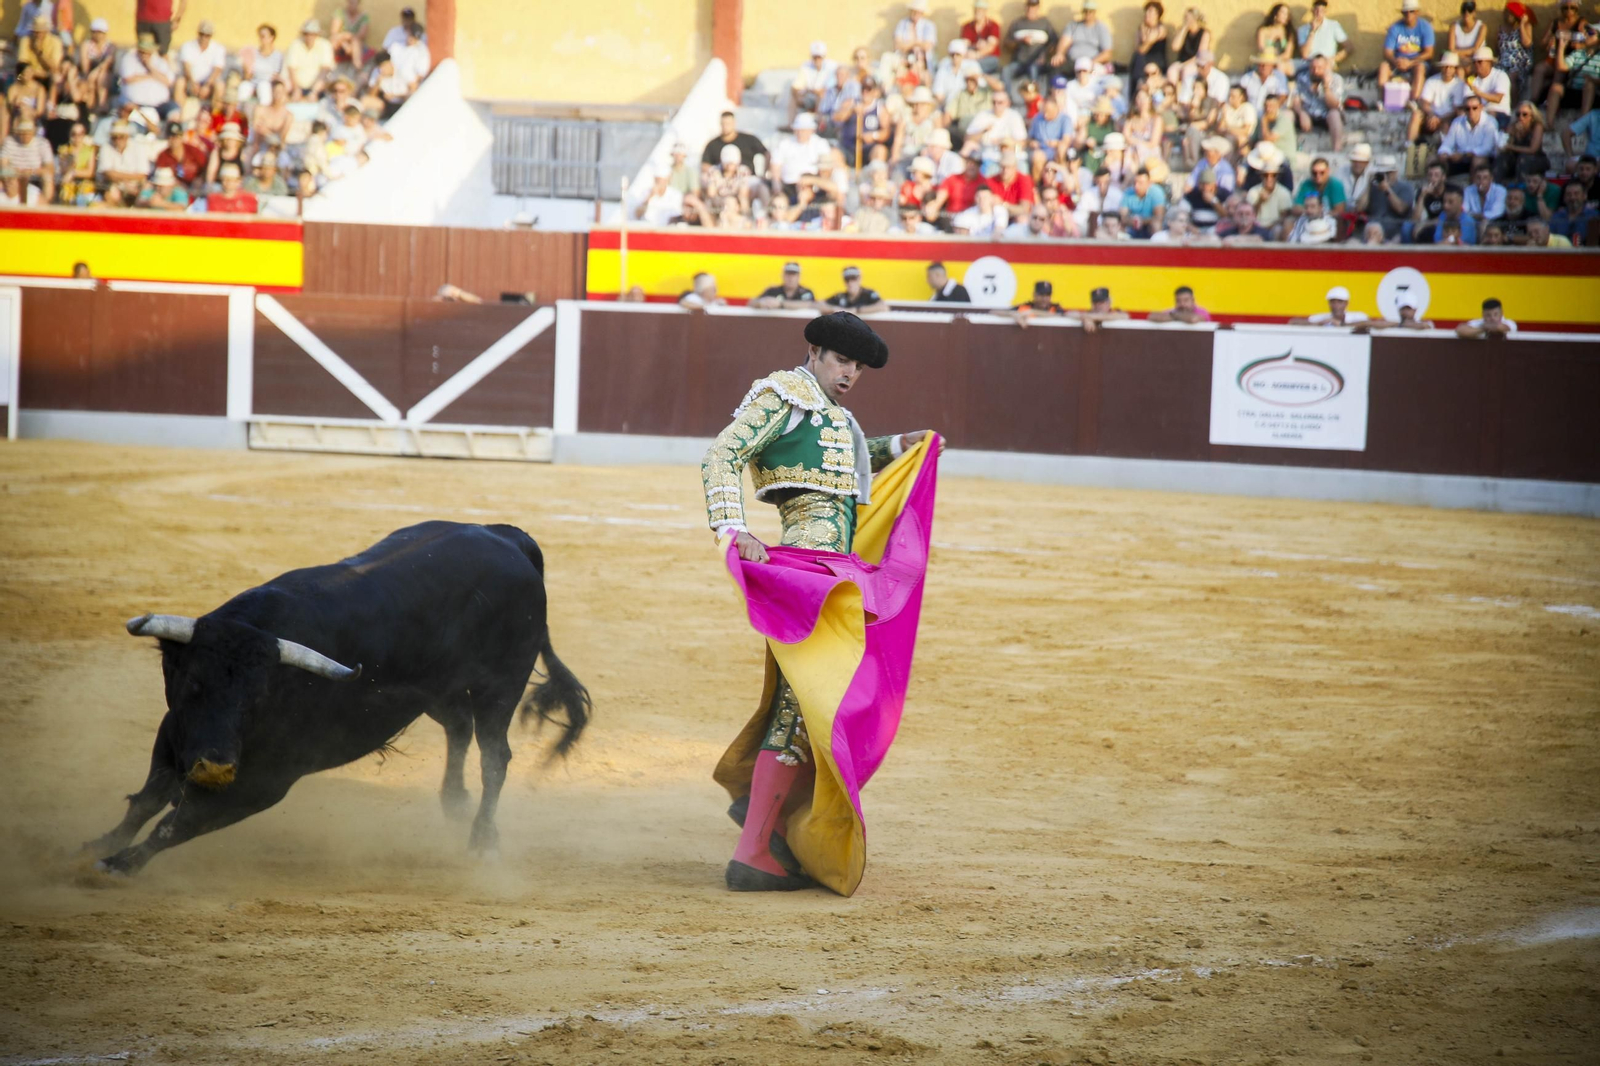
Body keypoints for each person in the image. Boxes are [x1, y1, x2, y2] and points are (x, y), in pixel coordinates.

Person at [701, 312, 939, 896]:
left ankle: (766, 826)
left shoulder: (836, 417)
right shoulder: (783, 394)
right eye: (842, 362)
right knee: (806, 706)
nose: (850, 374)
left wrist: (896, 447)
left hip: (835, 575)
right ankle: (755, 849)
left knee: (814, 706)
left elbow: (840, 473)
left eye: (858, 367)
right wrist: (733, 528)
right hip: (806, 576)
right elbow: (720, 456)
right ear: (814, 352)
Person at [1379, 0, 1436, 100]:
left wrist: (1410, 62)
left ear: (1417, 12)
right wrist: (1396, 61)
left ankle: (1414, 100)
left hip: (1416, 62)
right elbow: (1387, 52)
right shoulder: (1395, 27)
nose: (1408, 14)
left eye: (1411, 11)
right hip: (1398, 61)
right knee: (1384, 67)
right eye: (1405, 12)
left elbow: (1429, 53)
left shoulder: (1426, 27)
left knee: (1420, 68)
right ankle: (1383, 101)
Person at [1411, 51, 1466, 146]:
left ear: (1455, 69)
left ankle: (1443, 149)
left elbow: (1456, 109)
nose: (1447, 69)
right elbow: (1424, 102)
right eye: (1445, 66)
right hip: (1431, 116)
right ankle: (1410, 146)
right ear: (1441, 67)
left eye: (1451, 67)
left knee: (1447, 125)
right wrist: (1432, 115)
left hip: (1447, 118)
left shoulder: (1459, 84)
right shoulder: (1432, 81)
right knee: (1416, 115)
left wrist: (1439, 119)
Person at [1293, 53, 1345, 152]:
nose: (1315, 71)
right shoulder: (1302, 78)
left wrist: (1326, 87)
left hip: (1325, 116)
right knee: (1288, 114)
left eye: (1319, 68)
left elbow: (1335, 105)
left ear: (1326, 68)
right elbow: (1295, 100)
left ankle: (1337, 150)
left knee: (1334, 114)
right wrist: (1301, 113)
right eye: (1312, 68)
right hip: (1307, 115)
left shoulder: (1336, 80)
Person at [1004, 0, 1058, 94]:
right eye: (1028, 6)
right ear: (1025, 7)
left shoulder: (1045, 23)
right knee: (1006, 70)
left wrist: (1044, 54)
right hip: (1019, 63)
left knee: (1033, 69)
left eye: (1033, 7)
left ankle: (1036, 99)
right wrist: (1020, 41)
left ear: (1037, 8)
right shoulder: (1017, 23)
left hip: (1037, 63)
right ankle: (1007, 97)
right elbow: (1006, 43)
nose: (1030, 9)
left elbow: (1055, 42)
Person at [1438, 94, 1499, 176]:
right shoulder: (1457, 122)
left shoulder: (1490, 122)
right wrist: (1445, 153)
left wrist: (1464, 154)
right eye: (1467, 108)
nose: (1471, 111)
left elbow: (1486, 149)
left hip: (1484, 160)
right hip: (1461, 160)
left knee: (1477, 160)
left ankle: (1474, 187)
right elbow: (1447, 144)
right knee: (1437, 158)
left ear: (1481, 107)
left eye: (1474, 108)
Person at [1051, 0, 1114, 76]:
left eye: (1090, 11)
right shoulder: (1073, 25)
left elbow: (1107, 53)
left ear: (1094, 12)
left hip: (1092, 62)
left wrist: (1090, 63)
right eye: (1085, 11)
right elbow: (1064, 41)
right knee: (1055, 67)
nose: (1088, 13)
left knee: (1094, 73)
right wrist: (1059, 53)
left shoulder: (1101, 28)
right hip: (1073, 61)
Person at [1359, 155, 1415, 240]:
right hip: (1372, 230)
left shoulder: (1405, 187)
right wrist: (1369, 185)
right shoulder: (1373, 187)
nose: (1385, 176)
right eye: (1382, 173)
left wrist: (1387, 190)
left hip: (1394, 232)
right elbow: (1359, 208)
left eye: (1387, 173)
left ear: (1395, 172)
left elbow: (1401, 209)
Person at [118, 32, 174, 114]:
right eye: (142, 51)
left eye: (147, 52)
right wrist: (151, 76)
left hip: (160, 105)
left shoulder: (160, 61)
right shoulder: (129, 59)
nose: (145, 54)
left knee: (174, 109)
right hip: (135, 104)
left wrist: (149, 66)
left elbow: (168, 81)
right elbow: (128, 78)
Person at [2, 118, 54, 203]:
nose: (25, 135)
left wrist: (32, 171)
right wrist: (14, 172)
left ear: (33, 132)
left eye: (28, 132)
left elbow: (50, 168)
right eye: (22, 132)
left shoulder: (43, 143)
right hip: (13, 176)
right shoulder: (9, 142)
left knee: (48, 177)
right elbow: (3, 164)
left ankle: (45, 204)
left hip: (35, 177)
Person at [175, 19, 225, 104]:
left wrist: (207, 85)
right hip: (190, 80)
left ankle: (216, 113)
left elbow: (217, 69)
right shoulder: (188, 46)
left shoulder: (218, 48)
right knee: (180, 82)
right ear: (198, 33)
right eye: (202, 34)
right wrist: (192, 82)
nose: (204, 37)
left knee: (220, 86)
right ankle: (179, 111)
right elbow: (186, 66)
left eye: (207, 35)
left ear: (211, 36)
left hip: (208, 82)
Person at [285, 19, 336, 102]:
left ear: (317, 34)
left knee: (331, 81)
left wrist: (314, 91)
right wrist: (296, 89)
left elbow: (325, 70)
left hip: (318, 85)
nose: (309, 37)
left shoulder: (325, 45)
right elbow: (291, 69)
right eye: (306, 34)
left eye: (312, 34)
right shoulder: (295, 44)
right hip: (298, 85)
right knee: (283, 86)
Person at [702, 111, 766, 173]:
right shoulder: (713, 144)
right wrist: (715, 172)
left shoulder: (748, 140)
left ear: (734, 123)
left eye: (728, 123)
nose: (725, 126)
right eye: (723, 124)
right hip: (722, 180)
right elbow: (705, 164)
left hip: (747, 179)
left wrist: (766, 172)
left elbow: (766, 153)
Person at [790, 42, 835, 129]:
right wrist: (798, 95)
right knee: (793, 98)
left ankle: (817, 124)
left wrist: (812, 90)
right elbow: (796, 86)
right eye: (815, 57)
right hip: (809, 96)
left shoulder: (831, 67)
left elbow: (825, 90)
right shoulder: (805, 66)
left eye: (819, 57)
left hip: (823, 98)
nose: (817, 60)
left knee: (821, 96)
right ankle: (791, 124)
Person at [1464, 46, 1512, 127]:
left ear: (1489, 62)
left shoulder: (1500, 76)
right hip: (1479, 114)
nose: (1476, 65)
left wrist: (1478, 93)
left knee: (1490, 116)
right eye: (1474, 62)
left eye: (1479, 62)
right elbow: (1467, 101)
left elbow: (1498, 99)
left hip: (1499, 113)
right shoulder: (1472, 79)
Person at [1297, 0, 1349, 67]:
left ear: (1325, 12)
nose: (1318, 13)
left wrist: (1334, 59)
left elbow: (1349, 47)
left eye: (1322, 10)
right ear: (1312, 11)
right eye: (1316, 10)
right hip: (1309, 64)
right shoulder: (1302, 29)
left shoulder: (1334, 25)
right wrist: (1312, 31)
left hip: (1326, 64)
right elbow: (1305, 54)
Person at [1120, 166, 1167, 237]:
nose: (1136, 186)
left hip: (1149, 226)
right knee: (1117, 226)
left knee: (1156, 225)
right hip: (1132, 226)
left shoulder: (1157, 192)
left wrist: (1142, 221)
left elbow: (1159, 217)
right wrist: (1132, 221)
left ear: (1149, 183)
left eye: (1140, 183)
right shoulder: (1128, 192)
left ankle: (1157, 246)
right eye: (1135, 182)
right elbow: (1122, 216)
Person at [1290, 285, 1369, 326]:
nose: (1336, 305)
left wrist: (1342, 325)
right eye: (1332, 302)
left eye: (1339, 302)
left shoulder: (1357, 317)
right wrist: (1319, 323)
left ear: (1346, 303)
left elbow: (1380, 324)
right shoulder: (1323, 318)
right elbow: (1293, 322)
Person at [1550, 180, 1599, 245]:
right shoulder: (1556, 217)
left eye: (1576, 194)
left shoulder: (1594, 216)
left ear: (1584, 196)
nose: (1572, 197)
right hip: (1561, 253)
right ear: (1564, 198)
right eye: (1569, 194)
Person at [750, 263, 816, 310]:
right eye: (788, 274)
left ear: (799, 277)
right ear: (783, 276)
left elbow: (810, 305)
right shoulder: (773, 291)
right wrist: (761, 303)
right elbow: (751, 303)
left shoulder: (806, 292)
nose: (790, 278)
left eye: (793, 275)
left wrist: (780, 304)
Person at [962, 0, 1004, 74]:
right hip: (971, 56)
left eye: (980, 10)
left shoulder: (993, 26)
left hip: (989, 57)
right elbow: (964, 45)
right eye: (976, 9)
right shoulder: (967, 26)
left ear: (985, 11)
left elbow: (991, 47)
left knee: (974, 67)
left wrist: (977, 54)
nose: (977, 12)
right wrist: (977, 46)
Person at [1359, 292, 1433, 331]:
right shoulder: (1395, 323)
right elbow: (1371, 324)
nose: (1405, 312)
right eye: (1403, 309)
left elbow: (1425, 326)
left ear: (1415, 310)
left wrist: (1400, 325)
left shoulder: (1424, 322)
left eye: (1408, 308)